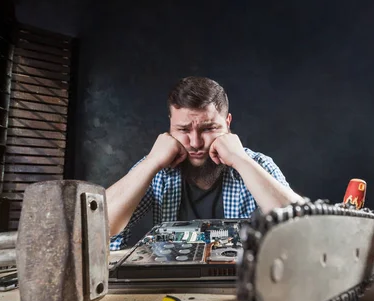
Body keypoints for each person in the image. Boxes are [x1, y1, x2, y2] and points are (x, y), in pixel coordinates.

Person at [107, 76, 303, 250]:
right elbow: (98, 227)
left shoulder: (257, 164)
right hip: (169, 283)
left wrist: (241, 160)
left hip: (238, 283)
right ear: (170, 125)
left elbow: (305, 228)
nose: (195, 143)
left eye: (208, 128)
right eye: (183, 129)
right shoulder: (157, 167)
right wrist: (150, 162)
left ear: (227, 123)